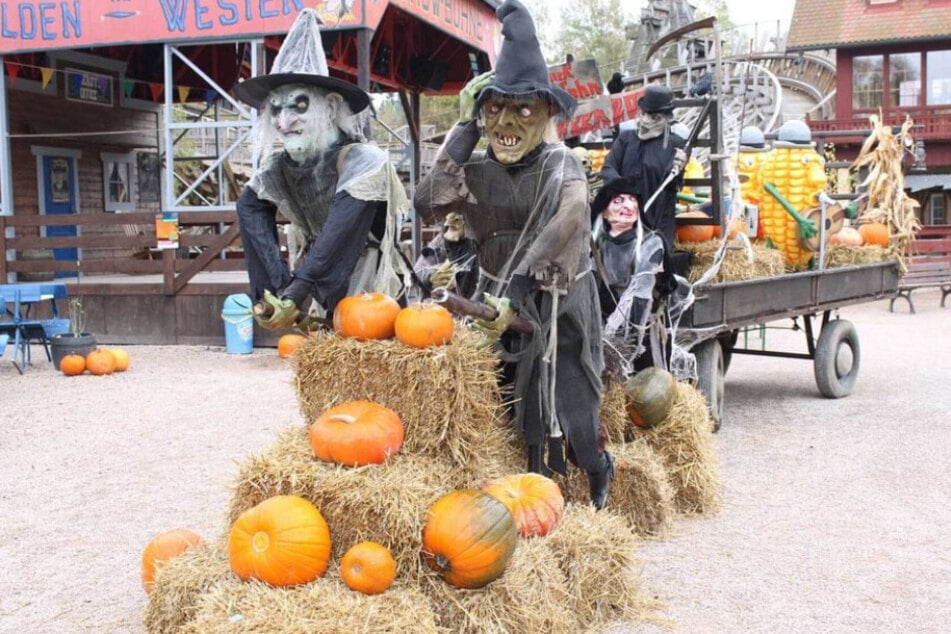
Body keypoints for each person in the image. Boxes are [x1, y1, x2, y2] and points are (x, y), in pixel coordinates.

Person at [413, 0, 614, 509]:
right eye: (495, 108)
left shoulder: (561, 163)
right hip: (492, 298)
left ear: (546, 113)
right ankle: (522, 502)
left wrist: (524, 285)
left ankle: (595, 464)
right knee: (505, 406)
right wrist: (462, 131)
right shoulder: (477, 167)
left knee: (569, 401)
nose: (506, 122)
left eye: (523, 109)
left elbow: (569, 218)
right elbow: (426, 202)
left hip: (556, 298)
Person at [233, 9, 411, 329]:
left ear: (329, 107)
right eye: (276, 108)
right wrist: (276, 288)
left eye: (298, 105)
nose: (284, 121)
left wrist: (296, 292)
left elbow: (340, 230)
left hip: (373, 294)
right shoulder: (279, 168)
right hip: (320, 288)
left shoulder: (364, 161)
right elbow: (250, 204)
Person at [592, 177, 675, 374]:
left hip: (643, 326)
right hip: (601, 322)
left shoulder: (652, 243)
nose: (628, 205)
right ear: (604, 211)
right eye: (618, 200)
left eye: (632, 199)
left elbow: (640, 296)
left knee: (647, 387)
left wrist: (623, 346)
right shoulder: (593, 244)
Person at [600, 84, 688, 250]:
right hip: (623, 218)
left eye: (654, 117)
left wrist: (679, 168)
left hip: (656, 220)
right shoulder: (625, 139)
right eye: (645, 114)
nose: (647, 120)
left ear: (666, 118)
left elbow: (672, 184)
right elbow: (608, 168)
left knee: (653, 267)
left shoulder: (675, 145)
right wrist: (623, 192)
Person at [413, 211, 480, 298]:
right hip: (442, 305)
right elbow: (418, 272)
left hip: (474, 305)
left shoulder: (481, 243)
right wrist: (430, 276)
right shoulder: (442, 242)